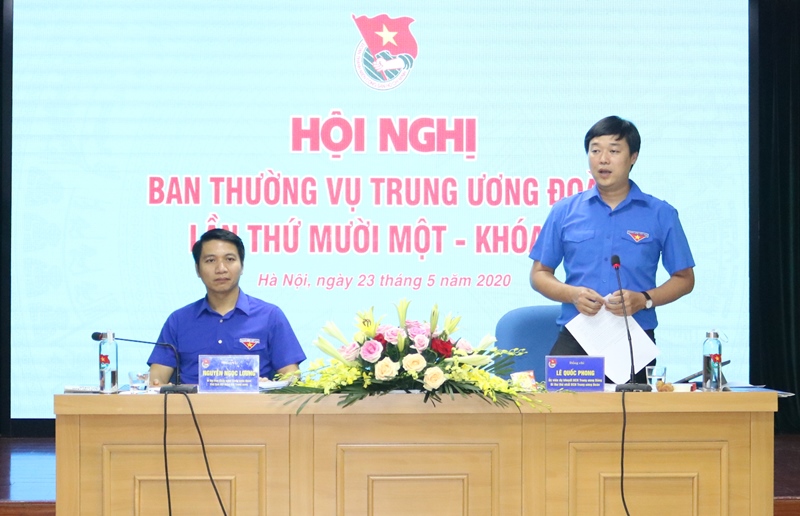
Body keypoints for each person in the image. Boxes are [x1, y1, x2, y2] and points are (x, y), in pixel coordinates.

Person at [529, 116, 695, 384]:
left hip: (633, 339)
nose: (603, 159)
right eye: (595, 150)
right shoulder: (564, 211)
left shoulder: (661, 214)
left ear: (633, 157)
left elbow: (685, 279)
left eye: (614, 151)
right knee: (561, 409)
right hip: (576, 336)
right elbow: (539, 274)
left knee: (631, 411)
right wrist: (573, 294)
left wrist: (644, 299)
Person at [148, 228, 306, 385]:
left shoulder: (270, 316)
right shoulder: (179, 321)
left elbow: (292, 378)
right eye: (211, 260)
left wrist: (270, 386)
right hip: (190, 402)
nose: (221, 269)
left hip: (254, 402)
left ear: (242, 266)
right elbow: (156, 380)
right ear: (197, 269)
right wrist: (162, 388)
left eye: (229, 259)